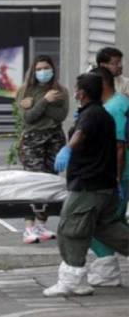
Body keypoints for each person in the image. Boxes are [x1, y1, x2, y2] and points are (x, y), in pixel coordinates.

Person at [43, 72, 129, 297]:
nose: (74, 91)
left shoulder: (92, 115)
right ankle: (84, 278)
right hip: (104, 185)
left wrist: (68, 148)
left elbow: (81, 133)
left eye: (76, 87)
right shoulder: (102, 114)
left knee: (71, 230)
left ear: (81, 92)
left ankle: (73, 281)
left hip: (88, 186)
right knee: (107, 228)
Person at [16, 55, 69, 244]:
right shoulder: (25, 90)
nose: (43, 72)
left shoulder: (61, 90)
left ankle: (41, 224)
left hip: (54, 137)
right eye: (39, 69)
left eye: (46, 68)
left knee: (49, 181)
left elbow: (61, 115)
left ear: (53, 69)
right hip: (32, 138)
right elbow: (29, 118)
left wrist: (38, 106)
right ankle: (28, 227)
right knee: (32, 182)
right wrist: (45, 100)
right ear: (33, 71)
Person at [86, 67, 129, 287]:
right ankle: (106, 268)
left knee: (99, 223)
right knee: (111, 222)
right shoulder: (119, 102)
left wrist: (115, 178)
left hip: (117, 175)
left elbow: (119, 147)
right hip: (114, 174)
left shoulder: (113, 108)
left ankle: (107, 268)